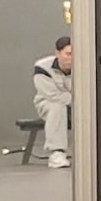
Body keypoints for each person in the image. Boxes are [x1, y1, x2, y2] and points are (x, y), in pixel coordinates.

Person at [33, 35, 73, 169]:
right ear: (58, 53)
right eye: (68, 54)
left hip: (76, 105)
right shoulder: (42, 68)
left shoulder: (84, 66)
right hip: (47, 103)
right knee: (57, 107)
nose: (71, 58)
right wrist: (78, 101)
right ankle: (57, 153)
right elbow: (52, 95)